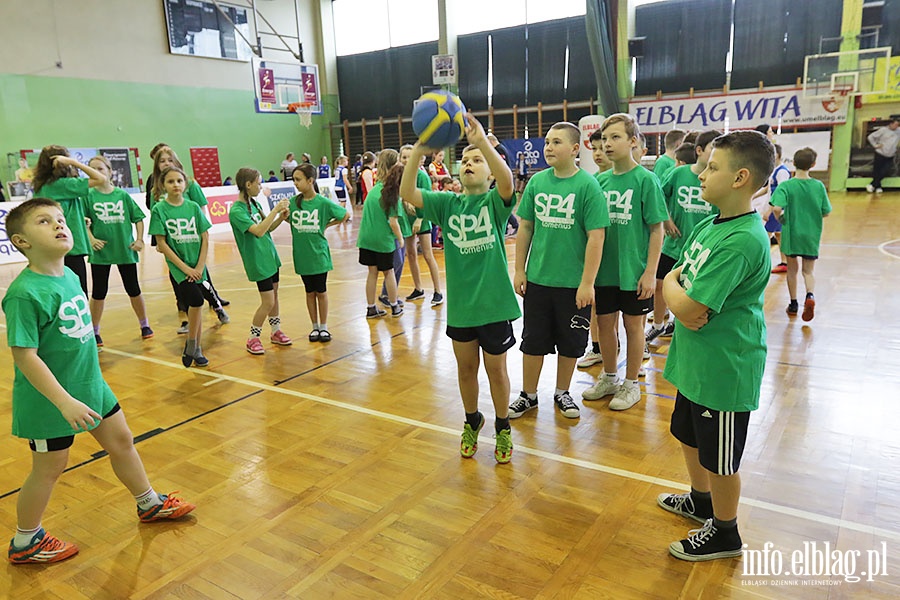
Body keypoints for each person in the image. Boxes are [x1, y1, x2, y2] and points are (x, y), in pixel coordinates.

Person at [3, 198, 195, 565]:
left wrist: (86, 388)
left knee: (122, 441)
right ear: (22, 241)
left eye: (61, 219)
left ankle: (148, 502)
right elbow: (25, 356)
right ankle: (25, 540)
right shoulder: (24, 294)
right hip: (50, 401)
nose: (59, 225)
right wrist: (64, 402)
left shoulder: (71, 275)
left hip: (90, 386)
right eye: (45, 222)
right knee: (49, 468)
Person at [657, 130, 774, 561]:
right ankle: (700, 502)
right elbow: (681, 282)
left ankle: (726, 532)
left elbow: (689, 307)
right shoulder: (710, 224)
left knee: (722, 459)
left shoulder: (743, 240)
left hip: (725, 368)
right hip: (695, 361)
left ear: (741, 178)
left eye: (712, 167)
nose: (701, 174)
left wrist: (672, 285)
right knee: (689, 435)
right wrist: (675, 285)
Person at [400, 114, 518, 463]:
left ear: (487, 172)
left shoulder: (495, 203)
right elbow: (407, 192)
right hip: (463, 308)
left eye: (476, 161)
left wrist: (482, 142)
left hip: (494, 305)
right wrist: (420, 150)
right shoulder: (447, 203)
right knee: (466, 371)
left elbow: (508, 181)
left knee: (497, 371)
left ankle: (502, 427)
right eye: (464, 160)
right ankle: (472, 420)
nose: (469, 164)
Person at [509, 122, 608, 420]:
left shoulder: (588, 186)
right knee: (533, 340)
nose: (548, 147)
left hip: (573, 285)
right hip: (538, 280)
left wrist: (587, 283)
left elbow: (596, 237)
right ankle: (528, 394)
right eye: (548, 142)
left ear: (575, 149)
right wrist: (519, 270)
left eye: (556, 142)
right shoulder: (538, 182)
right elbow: (525, 227)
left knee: (571, 342)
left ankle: (562, 392)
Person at [581, 114, 667, 411]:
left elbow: (657, 229)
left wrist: (650, 272)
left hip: (634, 272)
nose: (608, 144)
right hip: (604, 272)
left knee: (633, 327)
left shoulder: (646, 180)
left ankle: (632, 384)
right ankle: (609, 377)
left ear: (633, 141)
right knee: (605, 326)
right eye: (605, 138)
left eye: (615, 137)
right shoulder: (598, 181)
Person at [645, 130, 719, 346]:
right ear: (699, 150)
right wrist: (666, 218)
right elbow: (659, 195)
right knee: (659, 286)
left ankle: (679, 324)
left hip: (699, 249)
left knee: (690, 290)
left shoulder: (716, 179)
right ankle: (658, 325)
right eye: (712, 148)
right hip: (672, 245)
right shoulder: (679, 174)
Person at [149, 146, 229, 329]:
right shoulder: (157, 192)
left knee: (202, 280)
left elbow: (201, 208)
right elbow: (157, 221)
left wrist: (201, 234)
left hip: (193, 244)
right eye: (162, 161)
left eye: (170, 160)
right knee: (180, 282)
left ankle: (215, 303)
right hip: (174, 246)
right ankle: (186, 317)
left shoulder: (190, 185)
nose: (166, 164)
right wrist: (158, 242)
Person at [83, 155, 153, 346]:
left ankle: (144, 324)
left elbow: (138, 218)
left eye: (100, 169)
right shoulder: (87, 196)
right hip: (101, 253)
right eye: (92, 169)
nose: (97, 172)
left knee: (133, 289)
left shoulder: (122, 195)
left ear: (110, 171)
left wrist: (139, 240)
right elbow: (83, 221)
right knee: (99, 292)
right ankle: (95, 330)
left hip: (124, 250)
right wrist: (91, 239)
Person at [148, 166, 212, 367]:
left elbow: (205, 236)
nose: (175, 185)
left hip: (197, 265)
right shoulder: (159, 209)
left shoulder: (193, 207)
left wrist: (200, 266)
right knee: (196, 300)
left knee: (196, 305)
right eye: (170, 181)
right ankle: (192, 343)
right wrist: (185, 269)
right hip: (179, 268)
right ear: (163, 185)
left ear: (185, 184)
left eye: (179, 181)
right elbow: (162, 243)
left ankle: (195, 347)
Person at [230, 167, 293, 354]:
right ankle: (253, 337)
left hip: (270, 257)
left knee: (274, 298)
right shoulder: (236, 211)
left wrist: (281, 218)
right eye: (258, 183)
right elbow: (257, 231)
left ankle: (275, 331)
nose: (260, 186)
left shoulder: (254, 204)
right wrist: (276, 209)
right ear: (248, 185)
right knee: (267, 301)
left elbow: (267, 228)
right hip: (257, 261)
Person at [32, 145, 107, 296]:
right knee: (78, 292)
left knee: (60, 290)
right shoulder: (63, 185)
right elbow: (101, 179)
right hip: (70, 247)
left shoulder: (42, 186)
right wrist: (75, 162)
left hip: (50, 246)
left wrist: (79, 218)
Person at [289, 163, 349, 341]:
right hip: (302, 255)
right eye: (294, 180)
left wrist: (326, 225)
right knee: (309, 292)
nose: (296, 183)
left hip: (318, 255)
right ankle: (314, 326)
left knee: (321, 292)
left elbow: (344, 215)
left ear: (310, 180)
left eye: (298, 180)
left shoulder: (322, 202)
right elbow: (287, 219)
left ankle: (324, 326)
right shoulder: (294, 202)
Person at [771, 147, 832, 321]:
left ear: (794, 164)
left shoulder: (787, 185)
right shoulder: (818, 186)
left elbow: (776, 207)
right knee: (808, 271)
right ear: (813, 164)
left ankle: (793, 303)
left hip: (792, 233)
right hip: (811, 235)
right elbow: (826, 211)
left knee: (792, 270)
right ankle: (810, 296)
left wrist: (782, 219)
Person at [577, 128, 614, 370]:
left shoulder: (629, 178)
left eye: (603, 148)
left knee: (616, 313)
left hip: (617, 259)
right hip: (594, 259)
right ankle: (597, 347)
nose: (599, 153)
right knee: (595, 307)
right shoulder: (592, 182)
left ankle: (631, 349)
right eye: (595, 149)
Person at [357, 149, 404, 318]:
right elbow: (393, 222)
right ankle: (394, 306)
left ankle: (371, 308)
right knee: (389, 272)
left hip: (366, 239)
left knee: (372, 273)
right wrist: (400, 239)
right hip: (382, 241)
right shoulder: (389, 192)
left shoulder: (374, 191)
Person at [398, 145, 443, 306]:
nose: (406, 160)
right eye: (404, 157)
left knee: (427, 254)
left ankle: (438, 291)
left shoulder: (422, 176)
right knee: (410, 254)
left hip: (421, 219)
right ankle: (418, 288)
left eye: (410, 157)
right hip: (406, 219)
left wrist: (420, 218)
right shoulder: (400, 175)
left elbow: (426, 199)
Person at [752, 144, 791, 273]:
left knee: (764, 236)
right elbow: (767, 189)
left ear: (777, 155)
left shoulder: (782, 172)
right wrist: (752, 195)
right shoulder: (773, 171)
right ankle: (784, 263)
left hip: (778, 211)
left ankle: (761, 264)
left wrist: (770, 210)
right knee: (779, 236)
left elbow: (780, 192)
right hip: (774, 210)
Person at [866, 115, 900, 193]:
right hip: (880, 153)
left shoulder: (898, 131)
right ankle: (877, 186)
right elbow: (870, 137)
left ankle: (872, 185)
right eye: (895, 124)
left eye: (897, 125)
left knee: (885, 171)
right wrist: (875, 145)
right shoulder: (883, 130)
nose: (896, 126)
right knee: (877, 171)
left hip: (890, 154)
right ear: (890, 124)